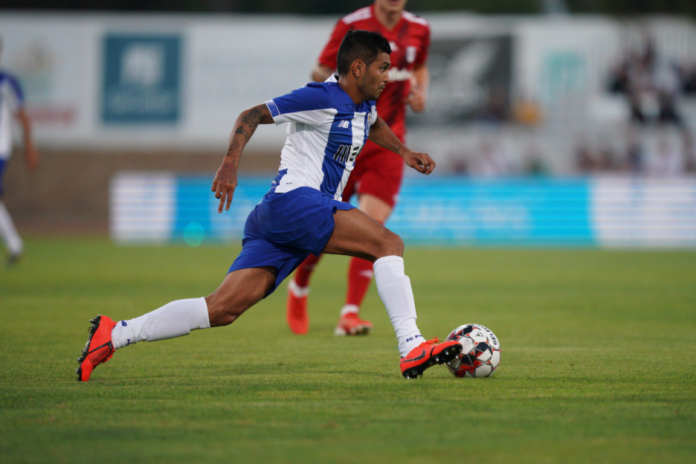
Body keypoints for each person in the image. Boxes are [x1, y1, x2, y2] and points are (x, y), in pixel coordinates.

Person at [76, 31, 461, 382]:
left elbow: (373, 124)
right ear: (357, 68)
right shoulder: (321, 97)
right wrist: (229, 165)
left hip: (277, 216)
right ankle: (411, 345)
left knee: (221, 309)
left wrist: (404, 151)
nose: (386, 77)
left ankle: (116, 333)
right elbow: (251, 115)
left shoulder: (362, 105)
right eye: (382, 68)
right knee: (388, 244)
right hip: (296, 201)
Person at [287, 0, 431, 337]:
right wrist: (340, 95)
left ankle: (349, 313)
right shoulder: (351, 25)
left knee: (373, 226)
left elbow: (419, 67)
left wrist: (421, 91)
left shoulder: (420, 29)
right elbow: (319, 71)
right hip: (342, 138)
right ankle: (300, 287)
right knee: (322, 227)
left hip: (388, 141)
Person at [0, 36, 39, 268]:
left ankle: (15, 243)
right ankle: (15, 243)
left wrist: (30, 148)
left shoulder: (7, 82)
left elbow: (23, 116)